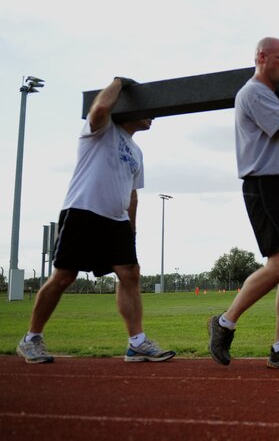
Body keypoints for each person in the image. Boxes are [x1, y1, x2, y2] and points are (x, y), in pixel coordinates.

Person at [17, 77, 176, 364]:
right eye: (147, 108)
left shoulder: (137, 152)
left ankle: (136, 343)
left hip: (116, 221)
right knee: (64, 276)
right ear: (127, 109)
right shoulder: (101, 129)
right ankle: (31, 338)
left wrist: (132, 230)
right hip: (82, 211)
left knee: (130, 273)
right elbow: (101, 106)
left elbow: (133, 196)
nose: (153, 114)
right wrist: (119, 81)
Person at [208, 36, 279, 369]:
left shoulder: (274, 98)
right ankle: (224, 322)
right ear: (261, 57)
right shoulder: (254, 93)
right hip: (264, 184)